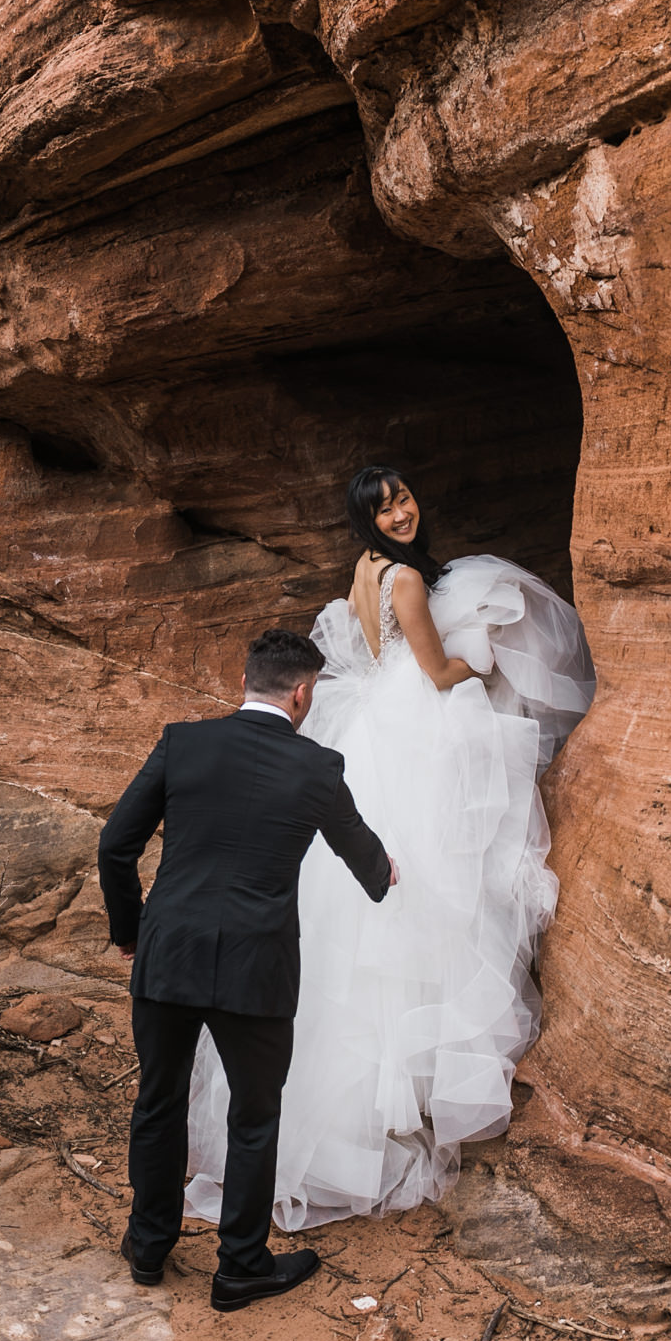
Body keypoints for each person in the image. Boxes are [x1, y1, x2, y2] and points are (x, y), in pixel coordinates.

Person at [185, 466, 596, 1233]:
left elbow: (378, 655)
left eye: (404, 497)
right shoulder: (404, 577)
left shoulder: (364, 571)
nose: (401, 513)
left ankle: (379, 1097)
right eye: (384, 508)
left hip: (378, 731)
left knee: (371, 915)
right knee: (438, 887)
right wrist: (483, 664)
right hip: (415, 731)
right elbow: (437, 672)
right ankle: (409, 1091)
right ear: (366, 519)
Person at [98, 627, 395, 1311]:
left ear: (244, 683)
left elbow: (115, 846)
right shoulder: (317, 767)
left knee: (159, 1101)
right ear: (301, 693)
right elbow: (363, 856)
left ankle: (148, 1246)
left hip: (169, 949)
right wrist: (385, 874)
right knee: (254, 1118)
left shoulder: (183, 742)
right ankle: (240, 1268)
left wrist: (130, 933)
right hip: (255, 966)